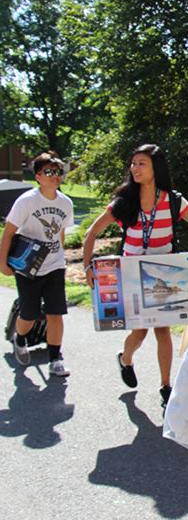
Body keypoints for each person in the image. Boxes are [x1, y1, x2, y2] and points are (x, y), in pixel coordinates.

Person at [82, 144, 188, 409]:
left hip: (165, 275)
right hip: (132, 277)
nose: (134, 168)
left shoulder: (173, 200)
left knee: (163, 330)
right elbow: (91, 233)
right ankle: (126, 358)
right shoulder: (123, 203)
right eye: (133, 164)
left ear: (155, 168)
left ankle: (166, 387)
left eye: (141, 163)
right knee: (140, 332)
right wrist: (88, 267)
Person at [0, 151, 74, 376]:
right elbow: (9, 233)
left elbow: (61, 232)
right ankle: (20, 338)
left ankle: (55, 358)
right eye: (48, 172)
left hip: (54, 266)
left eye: (57, 172)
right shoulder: (26, 201)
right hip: (28, 266)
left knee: (55, 313)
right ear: (38, 176)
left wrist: (61, 257)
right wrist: (2, 263)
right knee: (29, 314)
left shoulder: (65, 202)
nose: (54, 176)